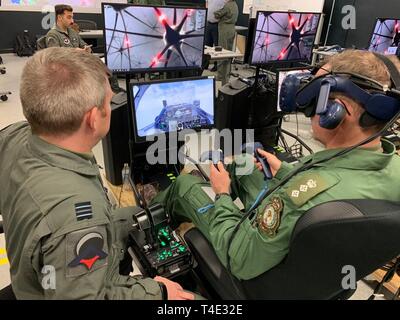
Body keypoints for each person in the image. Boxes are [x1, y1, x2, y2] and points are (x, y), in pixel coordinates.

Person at [152, 50, 400, 280]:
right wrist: (285, 171)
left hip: (250, 263)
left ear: (335, 111)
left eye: (314, 98)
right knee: (243, 163)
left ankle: (150, 221)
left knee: (184, 184)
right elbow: (325, 187)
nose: (309, 109)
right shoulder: (393, 170)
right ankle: (220, 192)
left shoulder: (299, 197)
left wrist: (223, 195)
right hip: (310, 268)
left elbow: (239, 257)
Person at [0, 47, 194, 300]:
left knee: (134, 214)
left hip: (37, 264)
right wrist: (158, 291)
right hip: (60, 286)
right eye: (109, 101)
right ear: (92, 118)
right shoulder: (78, 217)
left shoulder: (13, 134)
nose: (111, 105)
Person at [45, 4, 122, 93]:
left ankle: (115, 93)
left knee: (108, 64)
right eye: (69, 17)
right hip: (68, 68)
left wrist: (87, 48)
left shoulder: (72, 32)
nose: (72, 21)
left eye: (72, 17)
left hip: (81, 63)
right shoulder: (53, 35)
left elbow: (83, 44)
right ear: (59, 17)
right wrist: (74, 52)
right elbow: (54, 57)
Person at [214, 0, 238, 85]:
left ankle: (221, 77)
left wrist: (215, 10)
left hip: (225, 30)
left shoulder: (227, 5)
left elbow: (217, 15)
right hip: (231, 29)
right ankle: (226, 75)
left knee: (222, 53)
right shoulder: (235, 4)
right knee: (228, 53)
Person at [205, 0, 225, 72]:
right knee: (207, 45)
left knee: (217, 46)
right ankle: (205, 64)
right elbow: (207, 5)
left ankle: (217, 65)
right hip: (208, 23)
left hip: (217, 25)